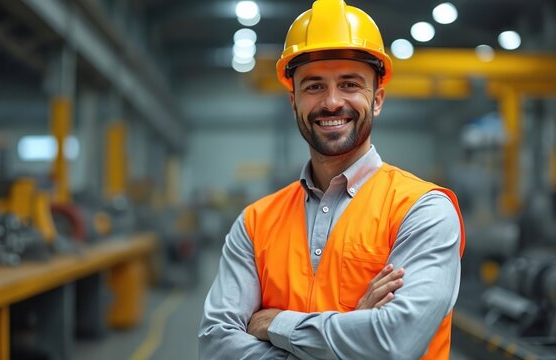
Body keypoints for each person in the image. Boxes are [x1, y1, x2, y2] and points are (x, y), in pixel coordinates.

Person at [198, 0, 465, 358]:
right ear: (294, 101)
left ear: (378, 99)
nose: (332, 102)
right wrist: (354, 327)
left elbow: (393, 343)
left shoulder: (423, 211)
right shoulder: (255, 223)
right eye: (314, 87)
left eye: (350, 84)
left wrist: (275, 324)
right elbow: (216, 345)